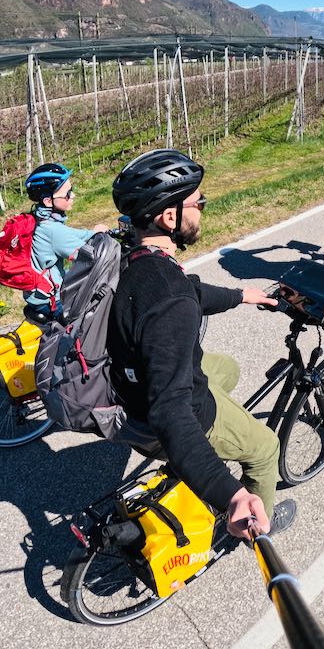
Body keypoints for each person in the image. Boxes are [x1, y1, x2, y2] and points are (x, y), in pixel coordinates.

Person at [108, 148, 296, 540]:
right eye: (199, 203)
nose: (203, 209)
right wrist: (229, 494)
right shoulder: (170, 301)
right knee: (265, 448)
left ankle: (196, 455)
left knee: (226, 368)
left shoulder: (133, 257)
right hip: (159, 415)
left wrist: (241, 295)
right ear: (170, 216)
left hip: (130, 386)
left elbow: (188, 290)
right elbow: (171, 412)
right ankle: (256, 525)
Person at [23, 163, 109, 320]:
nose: (73, 195)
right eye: (67, 194)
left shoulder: (39, 220)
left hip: (38, 296)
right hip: (53, 301)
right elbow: (90, 256)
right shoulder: (51, 230)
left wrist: (94, 233)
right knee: (99, 312)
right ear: (48, 201)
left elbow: (71, 234)